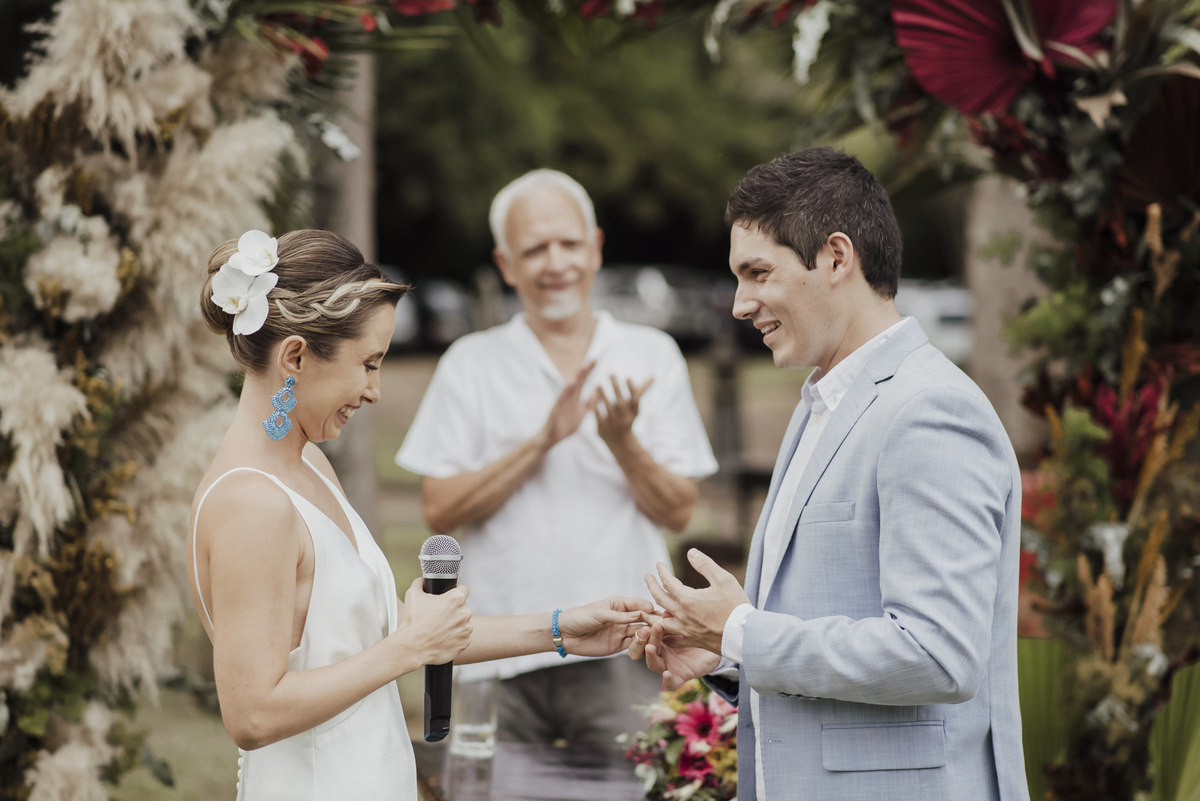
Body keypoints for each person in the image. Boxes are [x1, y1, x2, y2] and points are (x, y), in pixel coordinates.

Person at [189, 228, 652, 801]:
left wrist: (559, 630)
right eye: (369, 364)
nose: (376, 390)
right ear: (296, 356)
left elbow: (391, 639)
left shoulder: (308, 466)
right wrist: (408, 651)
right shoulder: (251, 503)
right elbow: (253, 713)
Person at [630, 148, 1030, 801]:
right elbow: (827, 615)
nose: (738, 303)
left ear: (837, 258)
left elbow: (937, 653)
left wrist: (742, 628)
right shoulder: (824, 400)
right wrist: (725, 654)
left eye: (758, 272)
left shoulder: (929, 411)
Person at [395, 169, 718, 753]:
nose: (555, 262)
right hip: (497, 650)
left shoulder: (652, 354)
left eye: (568, 243)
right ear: (506, 264)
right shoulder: (472, 362)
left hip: (625, 642)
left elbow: (678, 510)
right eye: (534, 249)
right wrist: (543, 440)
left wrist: (622, 441)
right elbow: (439, 511)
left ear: (595, 248)